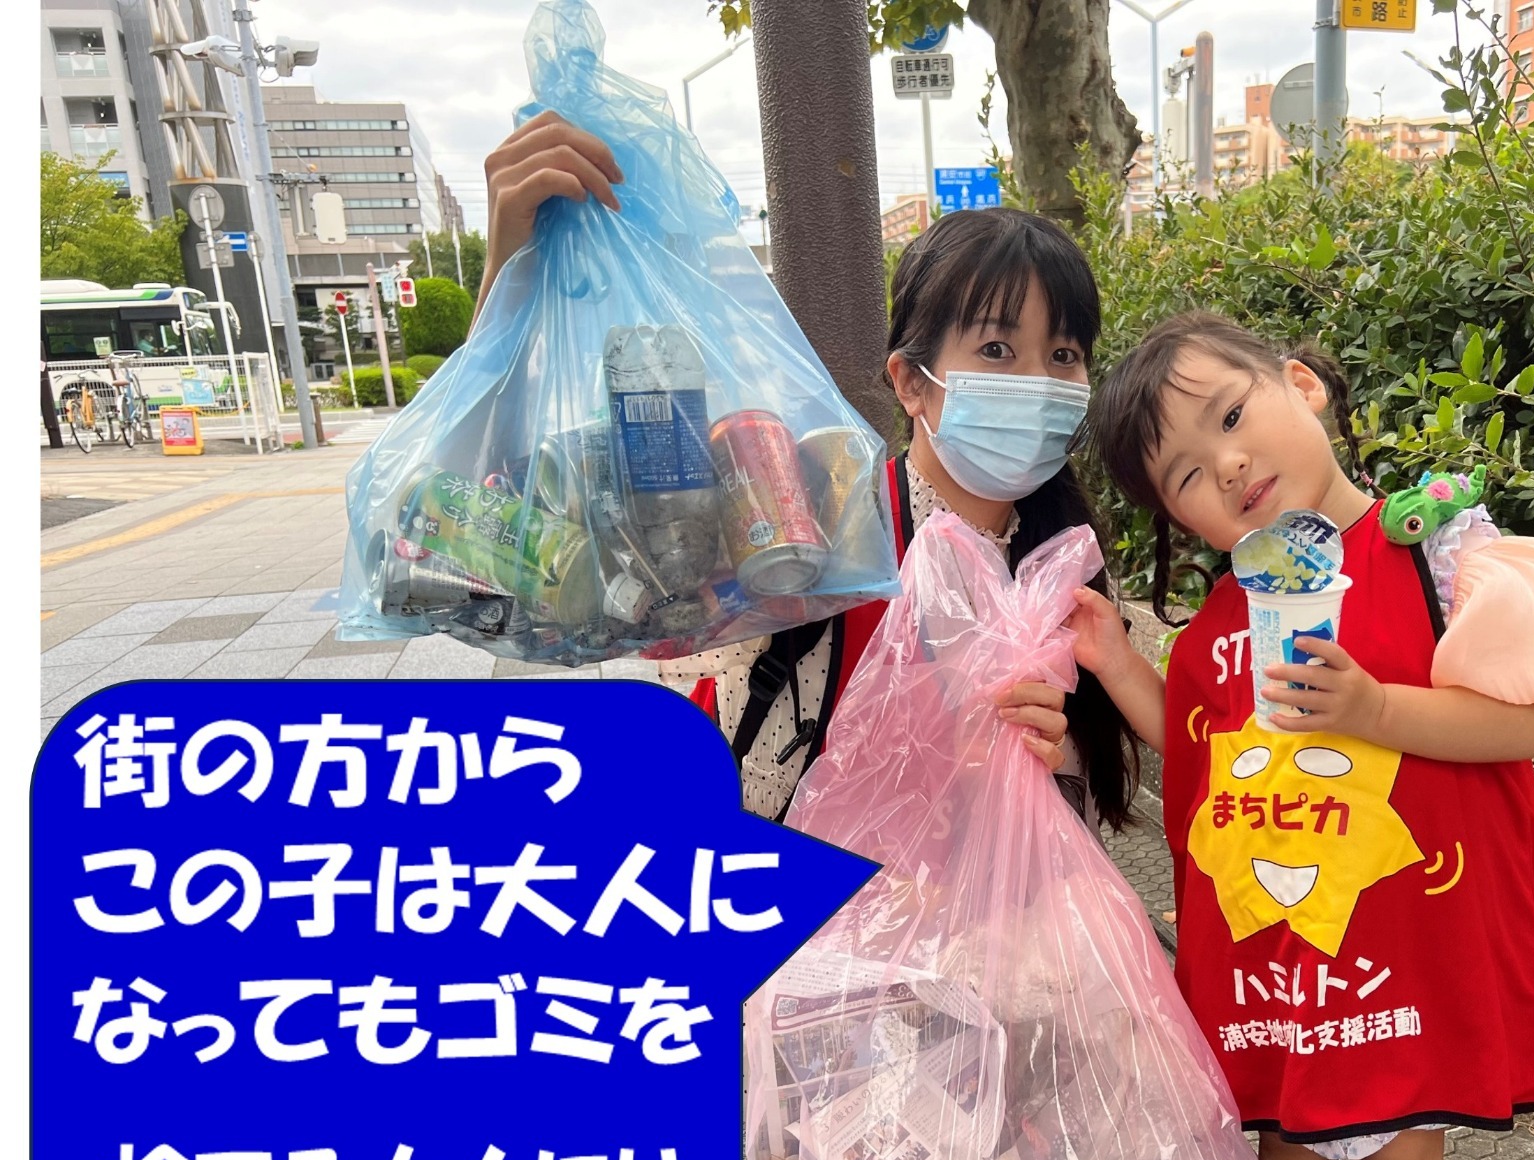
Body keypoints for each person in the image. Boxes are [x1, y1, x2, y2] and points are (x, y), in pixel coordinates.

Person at [1070, 311, 1534, 1160]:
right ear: (1177, 517)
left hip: (1398, 955)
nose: (1227, 464)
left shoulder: (1431, 553)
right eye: (1186, 474)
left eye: (1231, 415)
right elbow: (1204, 753)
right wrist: (1115, 658)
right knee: (1286, 1135)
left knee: (1398, 1155)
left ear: (1303, 385)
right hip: (1286, 956)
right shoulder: (1224, 620)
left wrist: (1373, 708)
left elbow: (1524, 721)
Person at [475, 112, 1136, 827]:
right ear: (910, 383)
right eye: (998, 351)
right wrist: (511, 270)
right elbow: (512, 551)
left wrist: (1051, 754)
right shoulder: (813, 523)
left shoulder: (1069, 571)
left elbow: (1099, 787)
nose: (1037, 381)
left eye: (1064, 356)